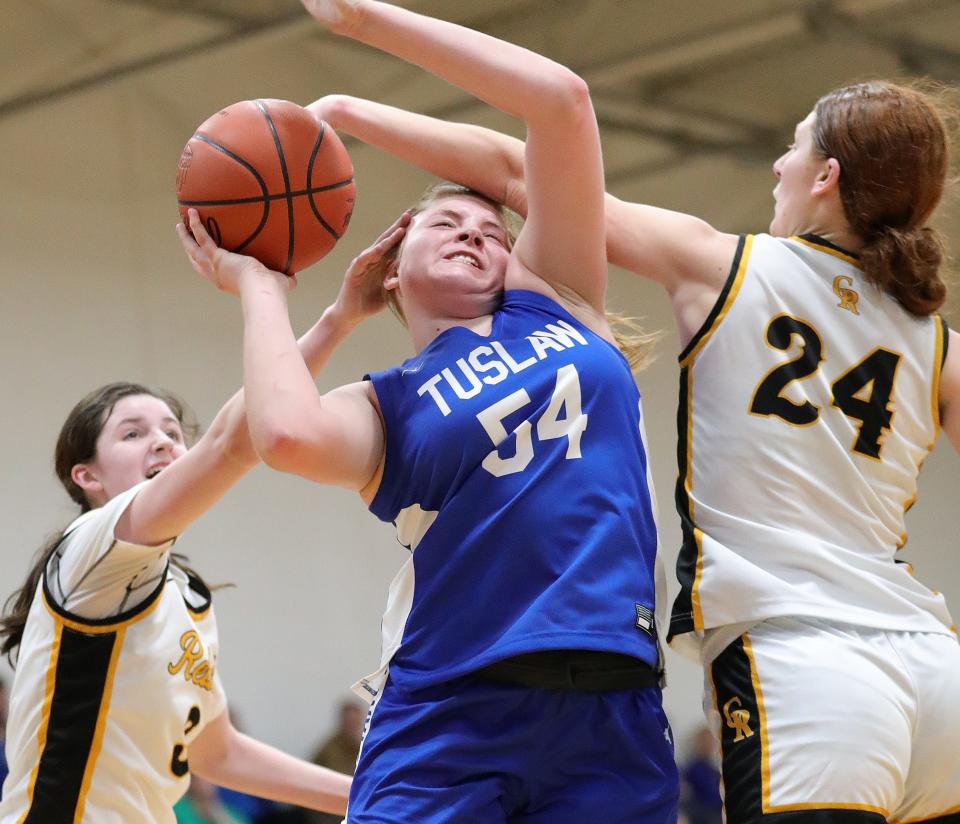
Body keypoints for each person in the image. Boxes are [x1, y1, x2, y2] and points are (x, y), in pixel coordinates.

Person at [307, 79, 960, 821]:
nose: (777, 164)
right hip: (934, 663)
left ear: (826, 175)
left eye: (794, 144)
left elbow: (522, 168)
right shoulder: (931, 335)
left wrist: (345, 108)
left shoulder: (726, 262)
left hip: (805, 657)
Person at [180, 0, 679, 821]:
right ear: (391, 266)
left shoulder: (556, 301)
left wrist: (355, 50)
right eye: (445, 221)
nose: (475, 233)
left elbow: (561, 101)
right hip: (451, 705)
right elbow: (284, 434)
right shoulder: (389, 401)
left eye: (491, 227)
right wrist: (265, 291)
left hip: (612, 704)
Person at [0, 249, 395, 821]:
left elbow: (221, 754)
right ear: (86, 477)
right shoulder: (91, 550)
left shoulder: (184, 593)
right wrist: (333, 318)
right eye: (133, 433)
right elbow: (230, 443)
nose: (162, 441)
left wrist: (373, 797)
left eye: (170, 431)